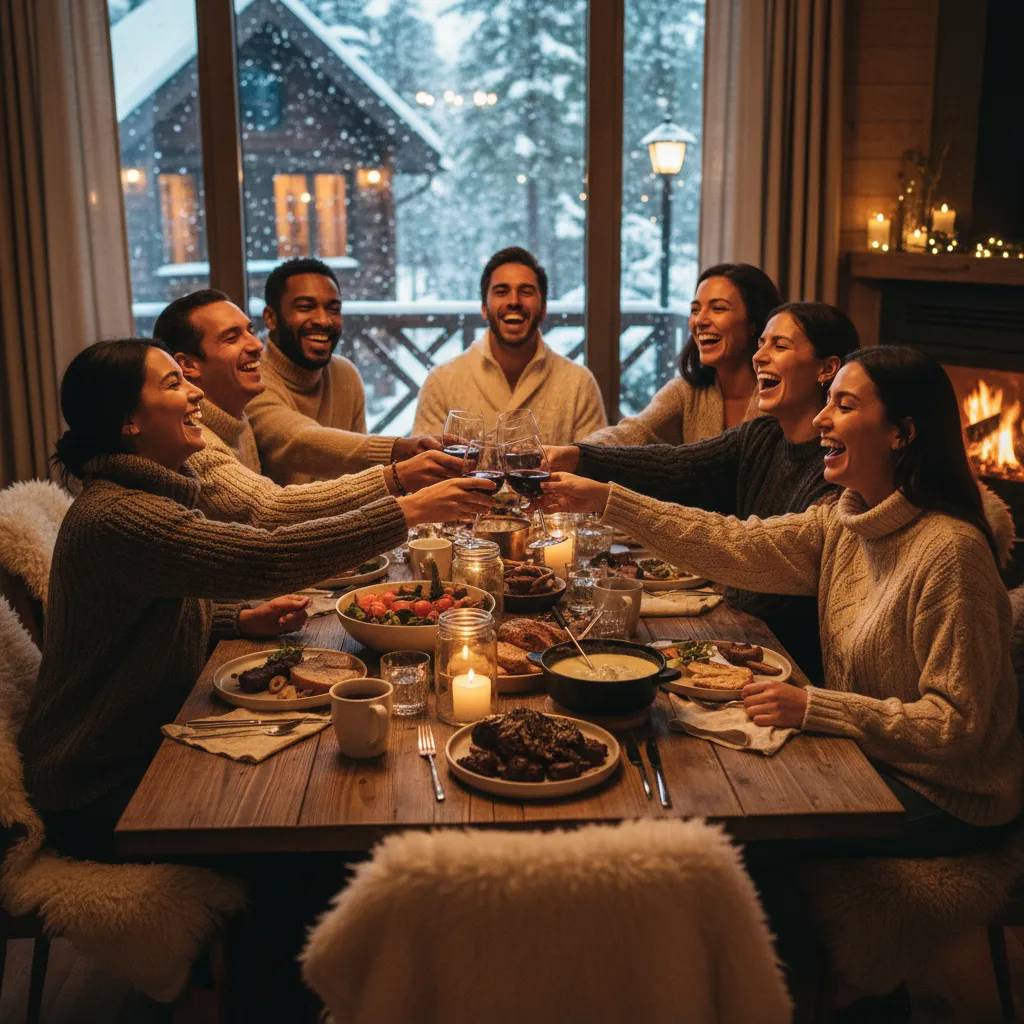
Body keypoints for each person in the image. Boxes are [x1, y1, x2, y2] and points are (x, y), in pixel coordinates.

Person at [19, 340, 494, 860]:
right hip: (99, 784)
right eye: (174, 383)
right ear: (129, 421)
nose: (196, 392)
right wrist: (406, 510)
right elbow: (267, 557)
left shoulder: (147, 495)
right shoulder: (120, 515)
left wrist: (239, 617)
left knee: (317, 784)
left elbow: (146, 611)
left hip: (147, 744)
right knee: (309, 818)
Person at [545, 345, 1024, 855]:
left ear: (901, 433)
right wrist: (607, 500)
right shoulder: (844, 521)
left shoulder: (951, 552)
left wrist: (815, 707)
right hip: (863, 754)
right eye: (828, 401)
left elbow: (957, 725)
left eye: (844, 405)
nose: (821, 418)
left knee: (742, 836)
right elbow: (732, 543)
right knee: (706, 792)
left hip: (947, 794)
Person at [549, 302, 859, 682]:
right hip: (739, 633)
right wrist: (578, 457)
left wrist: (607, 498)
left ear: (827, 369)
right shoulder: (761, 436)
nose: (759, 356)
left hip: (789, 670)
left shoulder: (839, 471)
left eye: (779, 346)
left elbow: (747, 549)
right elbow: (677, 466)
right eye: (761, 344)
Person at [154, 289, 464, 527]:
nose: (256, 345)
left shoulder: (235, 417)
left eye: (249, 330)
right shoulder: (193, 444)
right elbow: (269, 507)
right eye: (232, 337)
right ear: (188, 365)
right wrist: (397, 475)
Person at [246, 257, 440, 485]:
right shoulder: (251, 378)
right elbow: (298, 441)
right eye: (305, 307)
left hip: (345, 509)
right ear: (270, 317)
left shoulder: (345, 374)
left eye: (333, 309)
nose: (323, 320)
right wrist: (398, 449)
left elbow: (360, 476)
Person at [411, 246, 608, 444]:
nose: (514, 301)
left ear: (544, 309)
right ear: (484, 308)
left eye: (526, 292)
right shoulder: (441, 383)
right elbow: (425, 462)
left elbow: (594, 463)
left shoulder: (579, 385)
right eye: (501, 291)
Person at [582, 263, 781, 446]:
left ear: (754, 323)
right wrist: (577, 452)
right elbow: (633, 432)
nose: (700, 320)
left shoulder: (784, 394)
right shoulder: (684, 393)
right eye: (695, 310)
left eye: (718, 308)